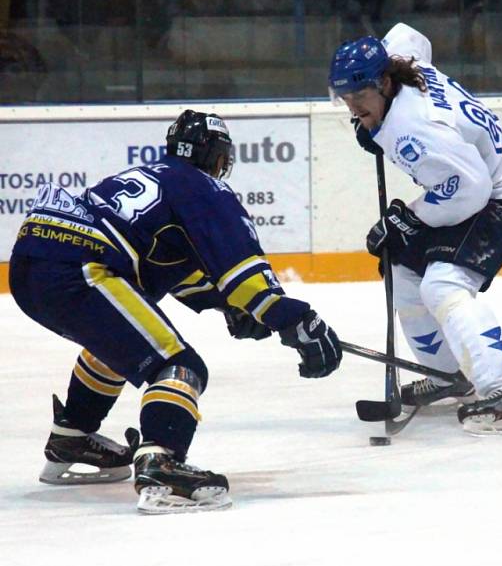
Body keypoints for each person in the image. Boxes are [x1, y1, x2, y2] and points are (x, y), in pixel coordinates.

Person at [9, 110, 342, 513]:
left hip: (30, 265)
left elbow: (171, 271)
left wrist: (228, 306)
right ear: (216, 156)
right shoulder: (204, 188)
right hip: (79, 270)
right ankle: (161, 462)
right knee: (179, 367)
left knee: (120, 346)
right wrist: (294, 318)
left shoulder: (154, 176)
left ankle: (72, 437)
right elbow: (245, 276)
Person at [327, 23, 502, 434]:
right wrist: (373, 120)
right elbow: (409, 34)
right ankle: (448, 375)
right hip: (474, 182)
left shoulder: (416, 128)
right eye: (346, 99)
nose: (353, 107)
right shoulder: (401, 61)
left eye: (360, 97)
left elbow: (471, 189)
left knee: (443, 284)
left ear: (385, 83)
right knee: (402, 270)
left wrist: (409, 217)